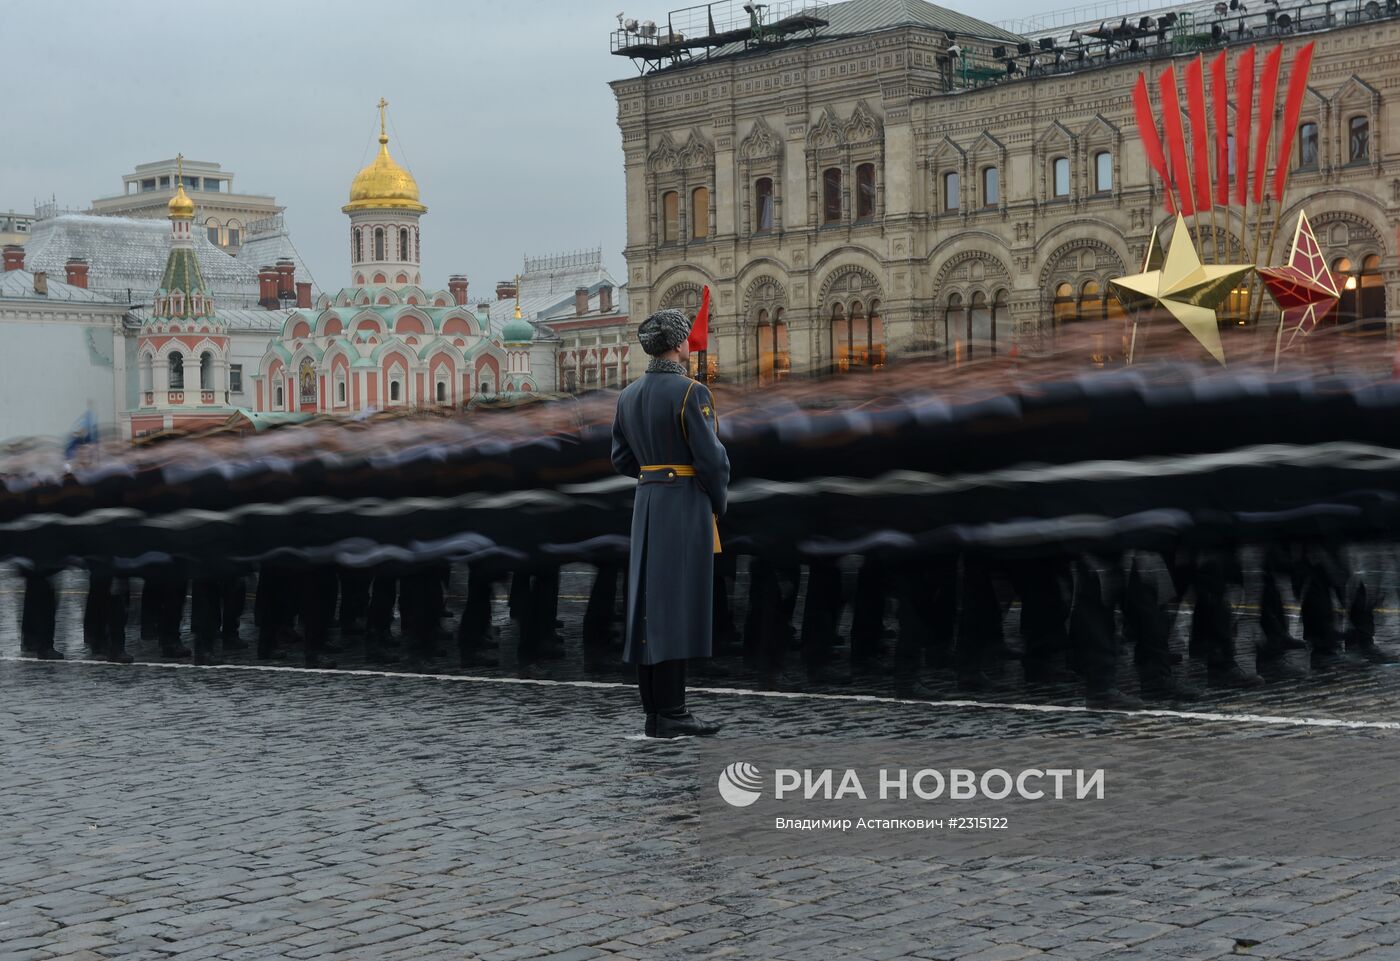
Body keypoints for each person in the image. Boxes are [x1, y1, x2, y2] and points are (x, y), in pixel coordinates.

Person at [611, 307, 730, 738]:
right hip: (683, 504)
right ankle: (674, 712)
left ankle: (655, 713)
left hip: (647, 505)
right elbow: (713, 460)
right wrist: (716, 502)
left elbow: (621, 459)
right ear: (680, 343)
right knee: (675, 607)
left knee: (649, 609)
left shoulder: (627, 394)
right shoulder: (690, 393)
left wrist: (653, 476)